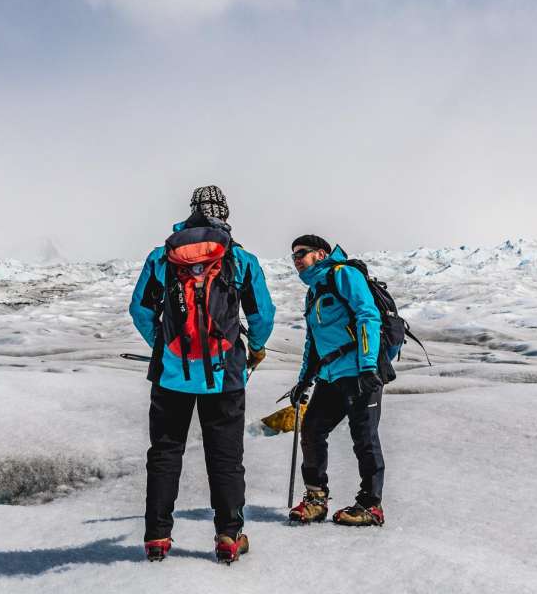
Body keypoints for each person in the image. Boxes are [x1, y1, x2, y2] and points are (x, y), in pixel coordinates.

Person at [128, 185, 276, 563]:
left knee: (165, 452)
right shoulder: (239, 258)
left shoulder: (163, 257)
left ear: (191, 211)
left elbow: (141, 311)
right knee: (225, 456)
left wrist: (166, 347)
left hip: (171, 375)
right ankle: (228, 536)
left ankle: (157, 538)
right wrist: (253, 351)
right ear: (225, 213)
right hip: (224, 373)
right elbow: (262, 316)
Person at [287, 234, 386, 527]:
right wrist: (304, 379)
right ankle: (316, 498)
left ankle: (371, 505)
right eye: (293, 256)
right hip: (331, 375)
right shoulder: (314, 291)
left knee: (364, 437)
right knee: (312, 430)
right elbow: (313, 341)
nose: (296, 260)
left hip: (358, 371)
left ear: (320, 253)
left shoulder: (343, 274)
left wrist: (368, 366)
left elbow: (367, 316)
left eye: (301, 253)